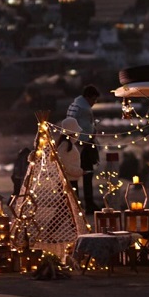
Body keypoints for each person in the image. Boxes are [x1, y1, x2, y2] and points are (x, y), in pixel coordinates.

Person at [66, 85, 101, 213]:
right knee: (87, 174)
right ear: (89, 97)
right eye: (94, 99)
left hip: (71, 144)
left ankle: (75, 203)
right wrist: (93, 131)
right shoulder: (84, 109)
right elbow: (87, 130)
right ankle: (89, 203)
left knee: (73, 176)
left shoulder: (74, 105)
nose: (94, 103)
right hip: (83, 146)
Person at [56, 117, 85, 197]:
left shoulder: (67, 144)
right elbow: (64, 165)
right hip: (68, 181)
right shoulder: (65, 146)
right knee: (69, 206)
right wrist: (79, 171)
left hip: (70, 180)